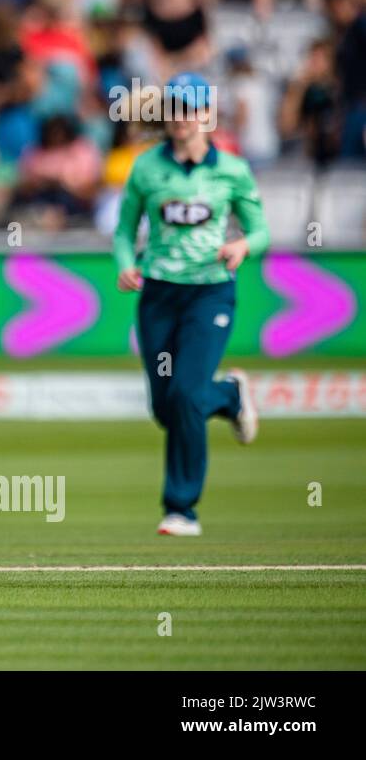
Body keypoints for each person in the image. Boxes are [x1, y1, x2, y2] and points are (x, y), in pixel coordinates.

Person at [113, 73, 269, 537]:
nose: (180, 118)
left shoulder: (232, 170)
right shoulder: (145, 168)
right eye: (173, 108)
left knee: (184, 395)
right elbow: (125, 230)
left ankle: (181, 508)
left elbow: (260, 230)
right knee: (167, 408)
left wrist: (243, 248)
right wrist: (126, 264)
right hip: (159, 293)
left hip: (210, 292)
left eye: (189, 108)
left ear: (206, 114)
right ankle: (230, 396)